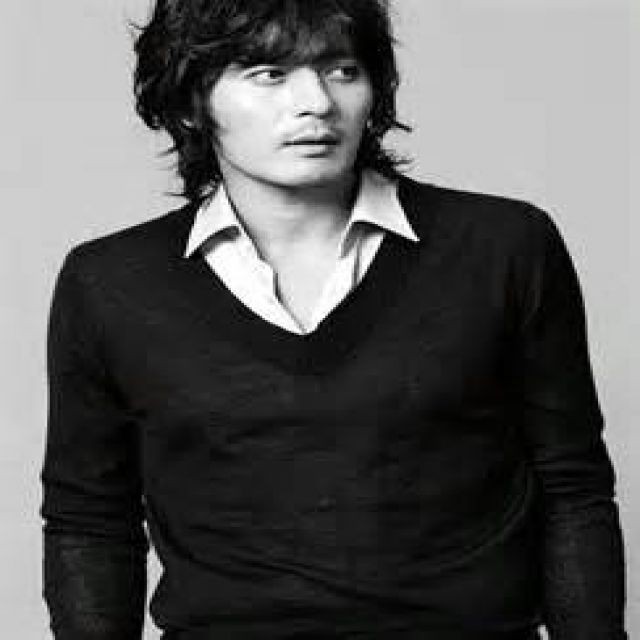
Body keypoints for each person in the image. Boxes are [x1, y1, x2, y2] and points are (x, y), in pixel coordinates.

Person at [40, 1, 627, 638]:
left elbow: (573, 489)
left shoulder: (503, 248)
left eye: (342, 70)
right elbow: (90, 524)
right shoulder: (112, 283)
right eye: (269, 73)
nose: (316, 103)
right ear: (191, 103)